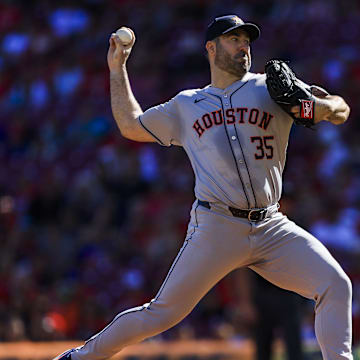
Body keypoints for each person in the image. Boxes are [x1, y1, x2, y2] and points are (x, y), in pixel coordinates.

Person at [54, 15, 352, 360]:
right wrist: (117, 68)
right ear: (211, 48)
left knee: (335, 284)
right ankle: (78, 357)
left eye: (246, 40)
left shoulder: (270, 87)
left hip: (272, 225)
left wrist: (322, 107)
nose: (243, 46)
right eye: (234, 39)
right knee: (162, 313)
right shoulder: (186, 104)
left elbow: (339, 109)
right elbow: (131, 126)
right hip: (218, 226)